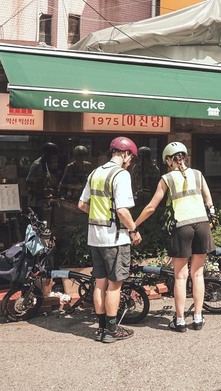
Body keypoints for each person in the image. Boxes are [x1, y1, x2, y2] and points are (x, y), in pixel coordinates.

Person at [134, 141, 215, 332]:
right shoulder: (198, 174)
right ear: (184, 157)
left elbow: (151, 207)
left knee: (180, 276)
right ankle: (197, 318)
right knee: (198, 274)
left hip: (182, 227)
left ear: (170, 159)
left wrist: (134, 225)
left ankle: (179, 321)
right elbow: (209, 202)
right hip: (202, 225)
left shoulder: (167, 178)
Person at [78, 136, 142, 343]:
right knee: (115, 284)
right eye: (131, 158)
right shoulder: (121, 175)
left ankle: (101, 328)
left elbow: (82, 205)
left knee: (100, 283)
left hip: (95, 237)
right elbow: (122, 210)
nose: (130, 162)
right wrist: (133, 230)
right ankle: (112, 330)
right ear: (126, 154)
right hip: (115, 239)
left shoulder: (95, 173)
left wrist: (101, 217)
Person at [26, 142, 59, 221]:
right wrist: (41, 192)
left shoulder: (45, 164)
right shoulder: (37, 164)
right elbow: (29, 182)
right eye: (52, 156)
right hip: (35, 203)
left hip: (42, 201)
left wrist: (48, 190)